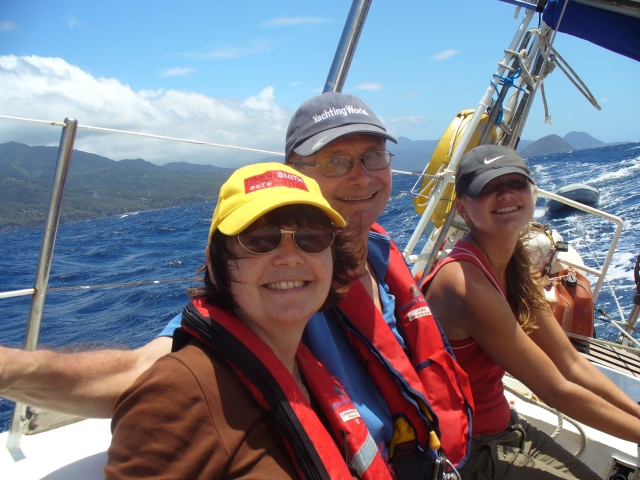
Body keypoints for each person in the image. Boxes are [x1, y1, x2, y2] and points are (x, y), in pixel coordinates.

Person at [0, 93, 472, 474]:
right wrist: (11, 370)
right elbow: (141, 373)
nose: (362, 176)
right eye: (335, 162)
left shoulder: (380, 252)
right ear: (294, 173)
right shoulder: (277, 289)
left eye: (372, 156)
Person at [105, 162, 395, 479]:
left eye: (311, 237)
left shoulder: (304, 367)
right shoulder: (177, 393)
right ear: (216, 267)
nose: (290, 257)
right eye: (259, 239)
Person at [422, 144, 640, 479]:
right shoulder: (464, 283)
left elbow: (570, 362)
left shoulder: (514, 264)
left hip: (506, 428)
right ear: (463, 209)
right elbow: (555, 389)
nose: (505, 194)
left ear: (532, 192)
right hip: (471, 450)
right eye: (488, 188)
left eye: (515, 183)